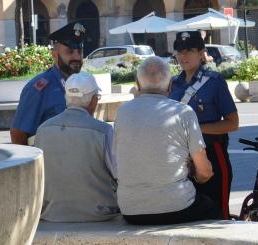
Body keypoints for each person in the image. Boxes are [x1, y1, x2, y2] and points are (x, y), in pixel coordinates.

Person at [113, 56, 222, 225]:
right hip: (176, 206)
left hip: (130, 209)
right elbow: (204, 172)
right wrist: (196, 176)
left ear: (138, 84)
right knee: (215, 211)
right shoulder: (183, 112)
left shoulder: (122, 112)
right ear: (170, 84)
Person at [169, 31, 239, 219]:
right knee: (186, 216)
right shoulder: (172, 84)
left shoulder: (214, 81)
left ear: (201, 53)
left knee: (218, 215)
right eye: (180, 51)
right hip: (181, 159)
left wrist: (195, 130)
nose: (183, 56)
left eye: (189, 51)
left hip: (212, 153)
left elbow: (233, 123)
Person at [35, 71, 119, 222]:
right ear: (94, 100)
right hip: (99, 214)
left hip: (52, 214)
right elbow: (118, 172)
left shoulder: (42, 129)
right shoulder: (103, 131)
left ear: (66, 98)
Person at [10, 21, 87, 145]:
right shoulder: (38, 89)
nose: (77, 57)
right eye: (70, 52)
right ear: (55, 55)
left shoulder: (83, 83)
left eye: (80, 51)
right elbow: (18, 133)